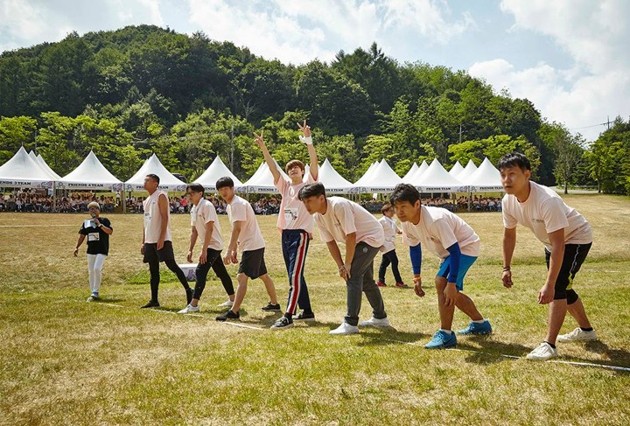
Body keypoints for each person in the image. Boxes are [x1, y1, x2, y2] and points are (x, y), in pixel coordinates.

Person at [498, 152, 597, 361]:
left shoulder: (547, 200)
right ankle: (587, 331)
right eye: (503, 174)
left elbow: (560, 243)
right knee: (564, 287)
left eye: (512, 174)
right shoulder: (508, 201)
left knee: (558, 286)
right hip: (552, 243)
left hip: (575, 238)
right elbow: (509, 234)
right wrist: (506, 267)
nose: (507, 180)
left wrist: (549, 284)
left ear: (527, 174)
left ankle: (549, 345)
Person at [390, 183, 492, 349]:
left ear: (417, 204)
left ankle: (446, 335)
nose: (399, 212)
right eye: (396, 207)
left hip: (465, 247)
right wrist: (417, 276)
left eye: (403, 207)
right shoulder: (407, 222)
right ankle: (480, 324)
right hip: (450, 253)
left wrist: (451, 283)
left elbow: (456, 251)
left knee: (442, 282)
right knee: (450, 292)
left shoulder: (435, 220)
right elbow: (414, 247)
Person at [299, 183, 390, 335]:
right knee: (366, 281)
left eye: (308, 201)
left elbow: (351, 235)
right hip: (359, 241)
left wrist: (348, 265)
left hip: (371, 237)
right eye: (303, 201)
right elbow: (330, 242)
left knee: (353, 274)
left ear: (321, 198)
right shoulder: (318, 217)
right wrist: (340, 265)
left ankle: (350, 323)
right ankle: (380, 318)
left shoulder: (339, 205)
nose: (305, 205)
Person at [254, 122, 318, 330]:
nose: (293, 170)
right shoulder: (285, 187)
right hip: (286, 234)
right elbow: (273, 167)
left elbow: (314, 162)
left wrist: (308, 140)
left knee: (294, 274)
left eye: (296, 168)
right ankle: (306, 311)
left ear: (302, 171)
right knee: (295, 272)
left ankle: (288, 315)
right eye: (290, 168)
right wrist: (263, 148)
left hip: (300, 234)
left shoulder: (308, 186)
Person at [215, 176, 280, 321]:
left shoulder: (237, 204)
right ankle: (274, 304)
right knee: (263, 275)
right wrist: (235, 249)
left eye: (226, 189)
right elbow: (239, 229)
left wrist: (228, 251)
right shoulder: (231, 205)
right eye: (220, 190)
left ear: (233, 189)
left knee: (241, 277)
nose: (223, 192)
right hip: (252, 245)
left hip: (253, 246)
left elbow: (237, 229)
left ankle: (234, 311)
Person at [177, 184, 236, 314]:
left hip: (214, 244)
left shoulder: (207, 206)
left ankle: (194, 304)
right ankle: (233, 299)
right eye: (188, 194)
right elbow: (194, 231)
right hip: (209, 245)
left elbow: (209, 228)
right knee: (221, 272)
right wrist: (190, 249)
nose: (189, 196)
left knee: (200, 271)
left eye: (192, 193)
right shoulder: (193, 208)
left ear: (200, 193)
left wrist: (204, 250)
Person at [140, 174, 193, 308]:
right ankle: (154, 299)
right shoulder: (146, 200)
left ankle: (189, 290)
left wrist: (162, 238)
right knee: (153, 270)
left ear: (155, 183)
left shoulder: (161, 196)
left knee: (172, 266)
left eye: (147, 180)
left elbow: (165, 218)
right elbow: (145, 222)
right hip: (150, 240)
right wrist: (143, 241)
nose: (144, 182)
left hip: (161, 239)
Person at [74, 201, 113, 301]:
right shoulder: (86, 223)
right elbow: (82, 236)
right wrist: (77, 247)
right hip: (91, 250)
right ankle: (92, 292)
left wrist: (99, 224)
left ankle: (95, 291)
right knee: (91, 271)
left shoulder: (104, 220)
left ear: (99, 210)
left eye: (95, 208)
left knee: (97, 268)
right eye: (91, 209)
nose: (93, 210)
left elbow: (110, 231)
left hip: (102, 249)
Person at [376, 203, 407, 288]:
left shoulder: (392, 221)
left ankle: (380, 281)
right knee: (395, 262)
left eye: (393, 210)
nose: (393, 212)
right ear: (385, 212)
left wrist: (407, 232)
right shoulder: (381, 221)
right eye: (391, 211)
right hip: (386, 244)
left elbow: (398, 231)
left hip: (391, 244)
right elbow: (375, 229)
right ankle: (399, 281)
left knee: (384, 263)